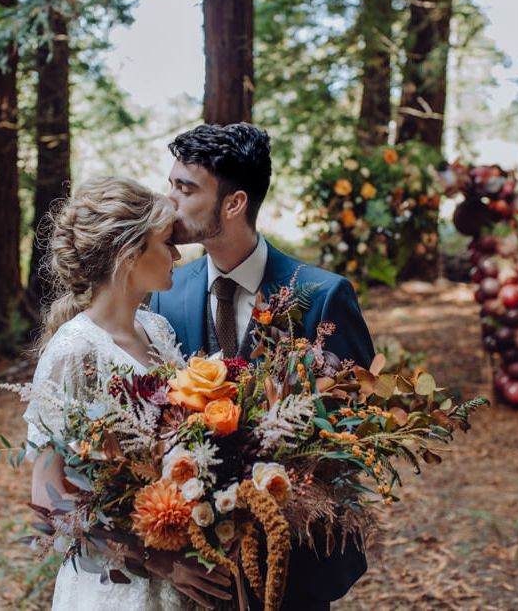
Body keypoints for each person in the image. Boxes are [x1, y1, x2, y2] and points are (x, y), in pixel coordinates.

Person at [150, 123, 376, 610]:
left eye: (185, 188)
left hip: (294, 570)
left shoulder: (321, 295)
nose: (169, 200)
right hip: (198, 571)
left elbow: (352, 430)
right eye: (171, 184)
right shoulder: (164, 294)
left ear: (233, 204)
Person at [23, 176, 233, 611]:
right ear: (129, 254)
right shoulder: (73, 349)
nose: (176, 254)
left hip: (186, 573)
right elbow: (48, 497)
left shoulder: (155, 329)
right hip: (115, 585)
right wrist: (157, 560)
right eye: (165, 242)